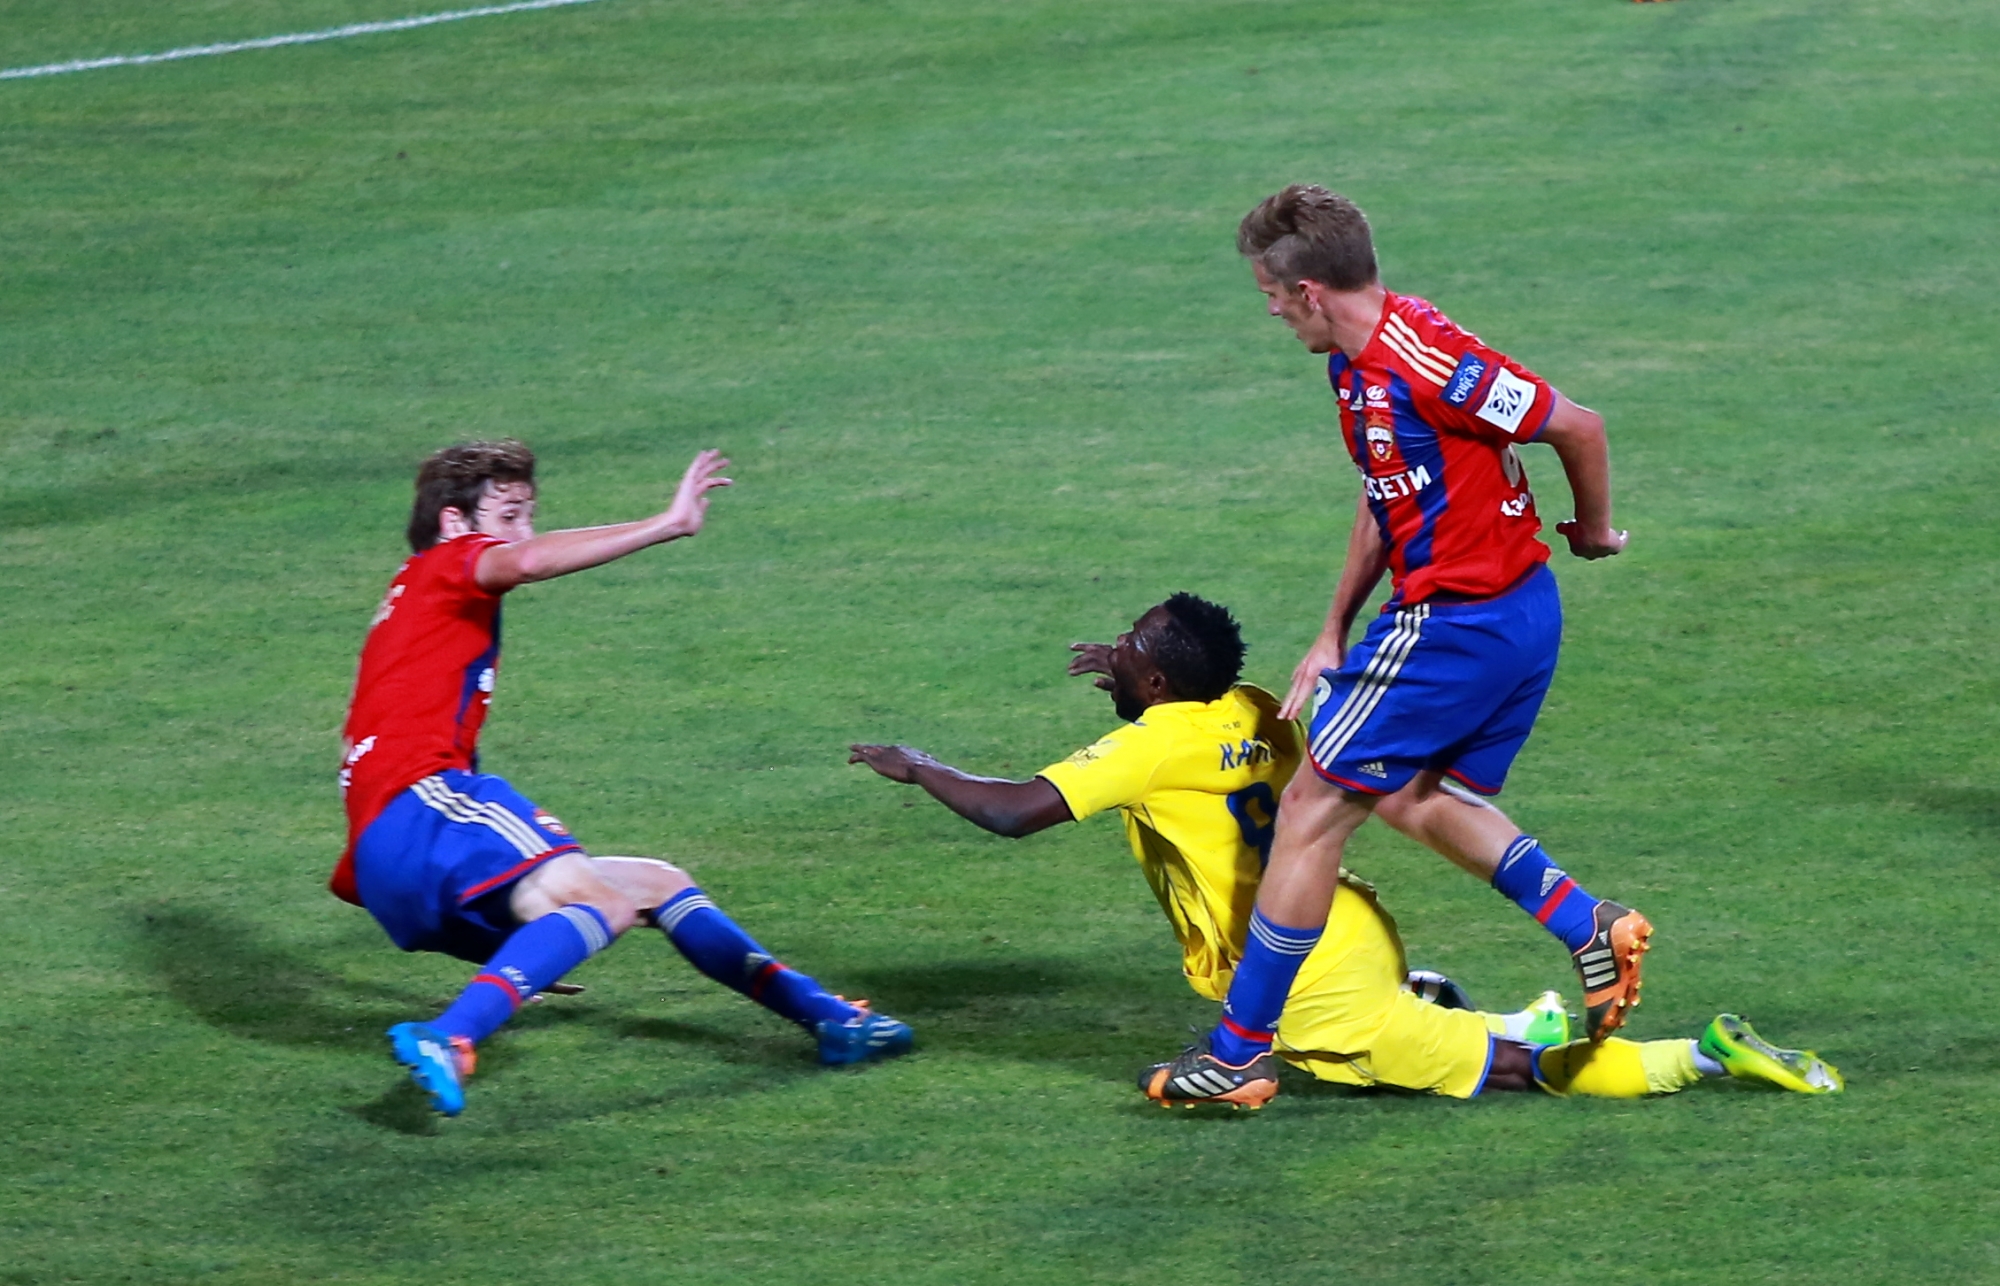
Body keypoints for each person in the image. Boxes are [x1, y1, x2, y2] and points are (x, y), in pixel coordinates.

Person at [850, 597, 1842, 1106]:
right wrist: (1131, 671)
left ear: (1154, 683)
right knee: (1425, 1030)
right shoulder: (1253, 708)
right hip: (1345, 918)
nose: (1113, 652)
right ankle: (1500, 1009)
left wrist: (922, 766)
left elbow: (1015, 811)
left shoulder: (1150, 746)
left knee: (1512, 1075)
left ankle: (1705, 1056)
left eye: (1127, 650)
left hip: (1313, 983)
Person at [1138, 184, 1659, 1105]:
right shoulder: (1362, 359)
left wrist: (1592, 529)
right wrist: (1333, 627)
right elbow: (1389, 491)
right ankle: (1589, 925)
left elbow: (1579, 425)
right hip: (1512, 616)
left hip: (1457, 624)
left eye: (1271, 294)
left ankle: (1238, 1053)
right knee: (1411, 795)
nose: (1269, 310)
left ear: (1309, 292)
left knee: (1308, 813)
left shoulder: (1426, 362)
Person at [334, 439, 911, 1116]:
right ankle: (453, 1036)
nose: (525, 532)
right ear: (455, 522)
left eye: (529, 514)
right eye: (510, 515)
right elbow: (526, 562)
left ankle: (831, 1021)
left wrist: (530, 955)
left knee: (656, 885)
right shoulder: (445, 564)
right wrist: (667, 523)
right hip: (427, 804)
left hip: (389, 853)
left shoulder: (410, 602)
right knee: (603, 906)